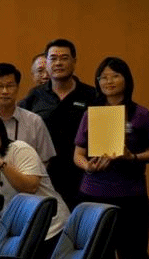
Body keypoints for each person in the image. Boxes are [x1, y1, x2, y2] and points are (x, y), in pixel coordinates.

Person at [73, 58, 149, 259]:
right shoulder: (91, 114)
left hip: (130, 197)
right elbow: (78, 154)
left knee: (134, 258)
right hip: (93, 194)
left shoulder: (141, 114)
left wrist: (133, 156)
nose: (109, 81)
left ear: (127, 80)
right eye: (103, 77)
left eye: (115, 76)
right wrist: (88, 166)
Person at [0, 111, 68, 259]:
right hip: (16, 233)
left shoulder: (20, 149)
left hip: (50, 229)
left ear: (1, 134)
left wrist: (1, 164)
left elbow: (30, 187)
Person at [21, 38, 96, 209]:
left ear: (74, 62)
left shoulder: (91, 95)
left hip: (83, 177)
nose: (58, 63)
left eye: (64, 58)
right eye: (53, 58)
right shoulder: (35, 96)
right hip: (45, 177)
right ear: (47, 63)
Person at [0, 63, 55, 164]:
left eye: (10, 86)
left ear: (18, 87)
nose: (5, 91)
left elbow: (45, 159)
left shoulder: (34, 121)